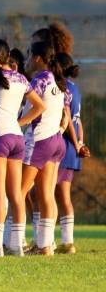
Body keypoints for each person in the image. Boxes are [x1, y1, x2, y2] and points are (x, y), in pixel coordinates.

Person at [0, 39, 45, 256]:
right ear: (8, 56)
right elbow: (40, 106)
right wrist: (20, 123)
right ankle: (17, 246)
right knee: (16, 194)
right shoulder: (21, 78)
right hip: (17, 137)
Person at [19, 41, 70, 256]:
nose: (27, 59)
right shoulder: (58, 81)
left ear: (38, 58)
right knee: (46, 195)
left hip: (39, 140)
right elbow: (65, 114)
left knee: (17, 193)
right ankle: (45, 246)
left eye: (29, 54)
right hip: (56, 141)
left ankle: (12, 242)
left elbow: (34, 109)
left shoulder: (39, 79)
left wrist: (17, 123)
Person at [55, 52, 89, 254]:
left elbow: (67, 118)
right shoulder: (75, 88)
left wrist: (76, 144)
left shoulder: (63, 87)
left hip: (63, 146)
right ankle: (68, 242)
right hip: (71, 149)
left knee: (43, 193)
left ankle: (45, 241)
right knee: (62, 195)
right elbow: (79, 120)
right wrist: (80, 143)